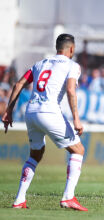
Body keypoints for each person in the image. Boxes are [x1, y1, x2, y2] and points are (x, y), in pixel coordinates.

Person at [1, 34, 88, 211]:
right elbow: (71, 90)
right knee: (78, 150)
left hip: (31, 112)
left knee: (35, 155)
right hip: (49, 112)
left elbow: (18, 84)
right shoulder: (72, 66)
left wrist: (9, 111)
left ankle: (19, 199)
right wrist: (77, 120)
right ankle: (68, 197)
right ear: (71, 49)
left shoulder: (40, 63)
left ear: (57, 47)